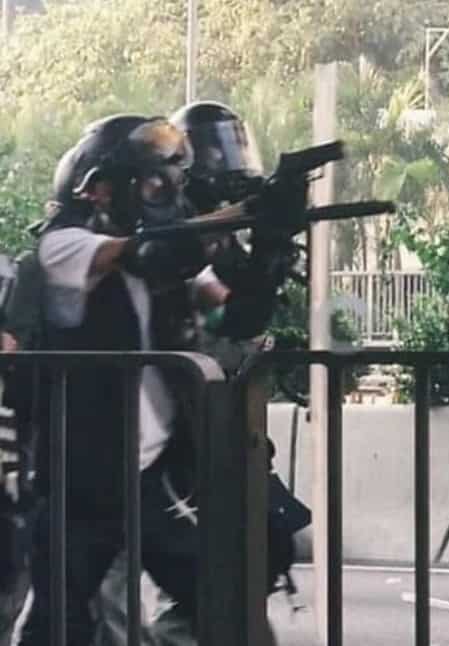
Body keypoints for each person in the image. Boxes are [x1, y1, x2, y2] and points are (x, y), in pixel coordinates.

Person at [15, 113, 280, 645]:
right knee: (57, 624)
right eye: (149, 180)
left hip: (147, 478)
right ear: (99, 189)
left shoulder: (158, 253)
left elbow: (233, 313)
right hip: (80, 482)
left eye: (165, 180)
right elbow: (147, 250)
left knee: (222, 601)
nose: (160, 192)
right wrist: (238, 215)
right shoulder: (64, 247)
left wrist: (269, 249)